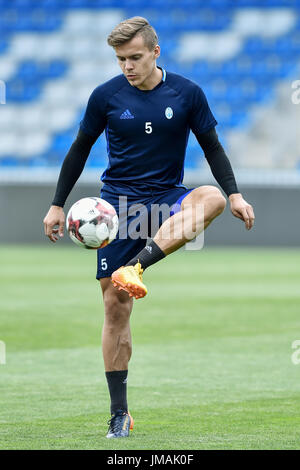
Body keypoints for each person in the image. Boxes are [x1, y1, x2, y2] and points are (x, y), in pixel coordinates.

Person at [43, 16, 255, 439]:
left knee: (210, 196)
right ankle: (119, 414)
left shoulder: (187, 93)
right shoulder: (105, 96)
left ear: (155, 52)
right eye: (121, 59)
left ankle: (135, 267)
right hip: (117, 209)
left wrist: (234, 194)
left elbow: (212, 145)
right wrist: (55, 205)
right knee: (115, 308)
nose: (127, 66)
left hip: (166, 198)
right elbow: (79, 149)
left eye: (135, 57)